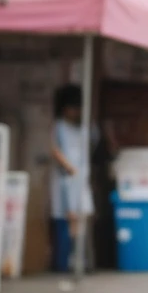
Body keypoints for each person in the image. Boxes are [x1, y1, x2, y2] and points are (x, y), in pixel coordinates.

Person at [49, 85, 94, 273]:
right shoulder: (59, 127)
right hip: (66, 179)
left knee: (82, 218)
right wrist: (70, 168)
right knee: (67, 220)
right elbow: (54, 150)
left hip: (81, 179)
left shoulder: (83, 128)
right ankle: (63, 262)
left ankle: (81, 260)